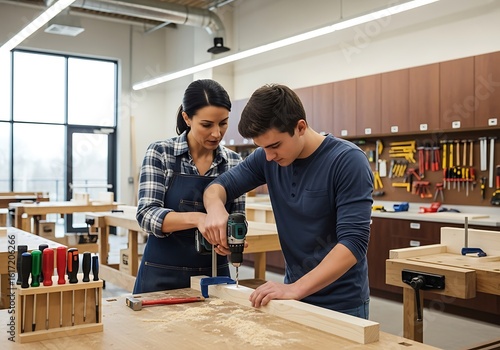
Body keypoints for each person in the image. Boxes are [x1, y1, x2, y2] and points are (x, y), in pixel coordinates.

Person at [202, 84, 373, 319]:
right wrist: (216, 212)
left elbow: (353, 242)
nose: (269, 156)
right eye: (262, 148)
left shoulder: (348, 161)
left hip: (341, 304)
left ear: (300, 127)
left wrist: (295, 288)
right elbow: (216, 189)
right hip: (293, 299)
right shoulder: (267, 158)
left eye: (274, 146)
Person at [133, 79, 245, 294]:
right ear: (187, 118)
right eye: (206, 125)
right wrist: (199, 219)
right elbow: (146, 215)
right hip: (161, 274)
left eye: (223, 123)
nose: (216, 133)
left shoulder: (233, 162)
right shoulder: (161, 153)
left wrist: (229, 240)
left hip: (215, 275)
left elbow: (236, 217)